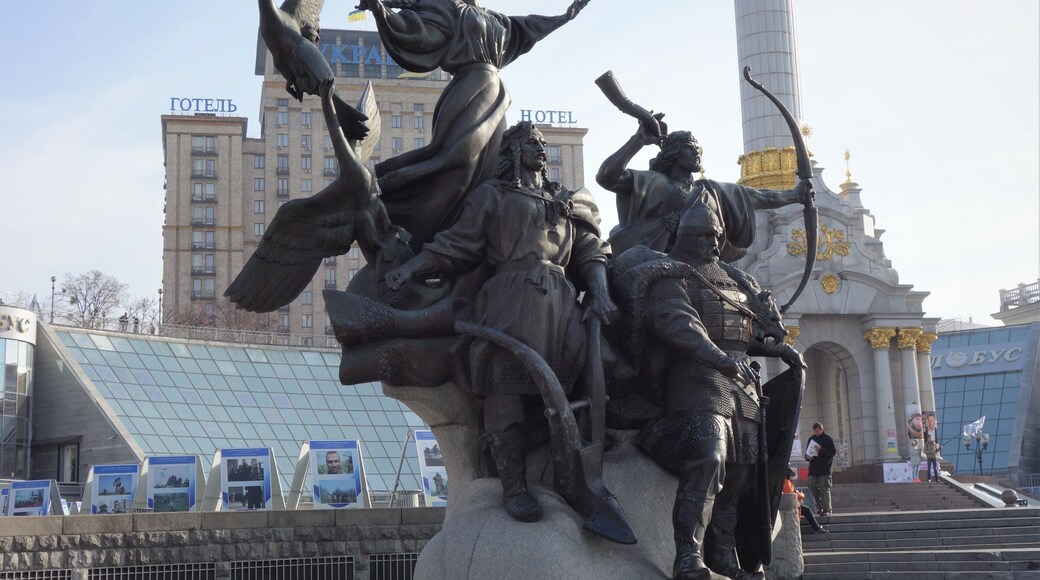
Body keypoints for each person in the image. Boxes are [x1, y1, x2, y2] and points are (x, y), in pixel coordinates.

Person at [386, 121, 616, 523]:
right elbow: (457, 244)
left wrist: (599, 291)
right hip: (512, 301)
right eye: (532, 142)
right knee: (506, 387)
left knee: (595, 371)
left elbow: (589, 250)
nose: (541, 148)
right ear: (513, 151)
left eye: (543, 143)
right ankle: (514, 485)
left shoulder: (563, 200)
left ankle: (577, 471)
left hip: (561, 304)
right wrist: (411, 269)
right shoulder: (493, 195)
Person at [625, 202, 805, 580]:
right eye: (707, 235)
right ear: (688, 236)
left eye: (718, 236)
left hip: (742, 390)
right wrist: (720, 359)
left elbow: (741, 333)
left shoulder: (733, 280)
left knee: (738, 478)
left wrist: (779, 349)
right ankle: (687, 556)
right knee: (709, 457)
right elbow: (679, 326)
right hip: (696, 382)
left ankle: (723, 557)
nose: (714, 242)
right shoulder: (670, 275)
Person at [361, 0, 591, 250]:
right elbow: (418, 34)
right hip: (468, 87)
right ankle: (403, 218)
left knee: (493, 173)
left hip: (495, 91)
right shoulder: (450, 7)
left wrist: (564, 16)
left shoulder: (496, 19)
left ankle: (474, 242)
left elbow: (528, 27)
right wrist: (380, 8)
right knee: (456, 165)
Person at [596, 119, 813, 260]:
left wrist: (795, 195)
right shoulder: (650, 182)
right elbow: (606, 176)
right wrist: (639, 140)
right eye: (690, 148)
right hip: (650, 263)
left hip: (702, 264)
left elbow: (759, 196)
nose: (697, 153)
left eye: (698, 149)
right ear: (674, 152)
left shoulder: (709, 191)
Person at [805, 422, 836, 516]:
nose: (816, 433)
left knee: (824, 488)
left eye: (817, 431)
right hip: (813, 469)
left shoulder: (827, 439)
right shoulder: (811, 439)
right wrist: (807, 457)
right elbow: (807, 453)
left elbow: (832, 453)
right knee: (812, 485)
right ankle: (820, 507)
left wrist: (821, 449)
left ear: (822, 429)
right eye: (814, 431)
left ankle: (827, 509)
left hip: (824, 469)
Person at [784, 468, 827, 534]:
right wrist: (802, 495)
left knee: (807, 510)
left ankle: (817, 528)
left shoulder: (788, 482)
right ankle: (817, 528)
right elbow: (791, 494)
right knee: (807, 510)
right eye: (792, 475)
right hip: (790, 505)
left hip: (791, 504)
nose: (792, 477)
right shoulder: (786, 482)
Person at [923, 413, 942, 482]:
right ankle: (929, 478)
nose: (930, 422)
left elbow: (936, 450)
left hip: (934, 457)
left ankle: (937, 479)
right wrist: (930, 452)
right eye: (929, 421)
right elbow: (925, 450)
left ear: (934, 421)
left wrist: (939, 448)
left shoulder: (934, 443)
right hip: (929, 457)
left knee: (935, 468)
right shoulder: (926, 444)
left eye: (932, 420)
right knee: (929, 468)